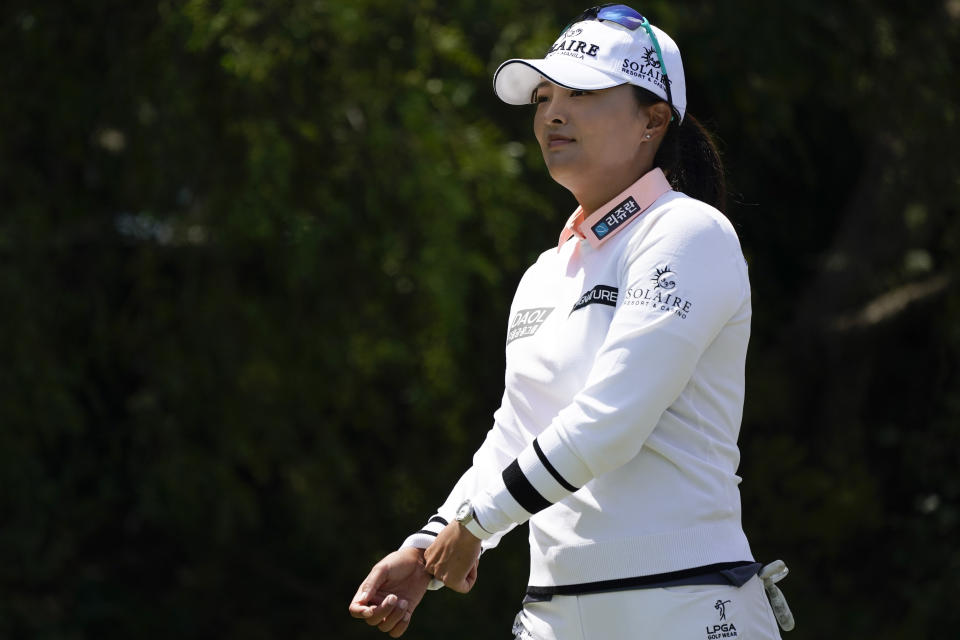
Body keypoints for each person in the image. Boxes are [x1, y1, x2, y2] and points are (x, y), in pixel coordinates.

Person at [349, 4, 790, 638]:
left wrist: (477, 525)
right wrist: (427, 546)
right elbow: (518, 429)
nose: (552, 112)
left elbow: (613, 420)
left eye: (582, 93)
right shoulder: (545, 272)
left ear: (654, 119)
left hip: (685, 604)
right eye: (545, 96)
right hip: (554, 613)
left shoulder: (688, 232)